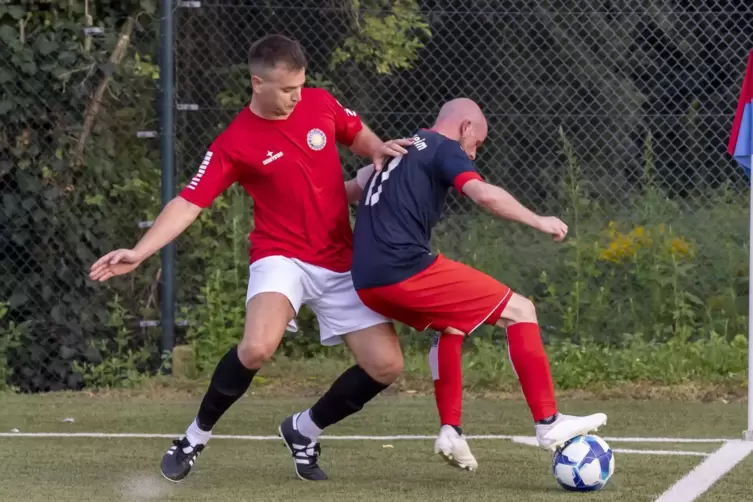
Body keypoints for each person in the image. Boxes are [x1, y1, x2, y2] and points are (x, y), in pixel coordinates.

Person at [89, 34, 412, 482]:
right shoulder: (235, 142)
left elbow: (357, 134)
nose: (296, 96)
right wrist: (141, 251)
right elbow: (189, 201)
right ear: (257, 82)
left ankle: (303, 430)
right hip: (281, 255)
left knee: (386, 366)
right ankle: (194, 437)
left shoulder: (318, 103)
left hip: (340, 258)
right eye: (285, 89)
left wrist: (377, 148)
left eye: (300, 86)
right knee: (257, 347)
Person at [346, 98, 608, 471]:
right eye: (478, 143)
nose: (475, 152)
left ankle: (451, 431)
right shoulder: (445, 147)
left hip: (367, 279)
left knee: (450, 326)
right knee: (521, 310)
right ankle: (549, 422)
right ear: (465, 126)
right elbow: (483, 195)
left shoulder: (395, 150)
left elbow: (348, 190)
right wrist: (539, 220)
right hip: (403, 267)